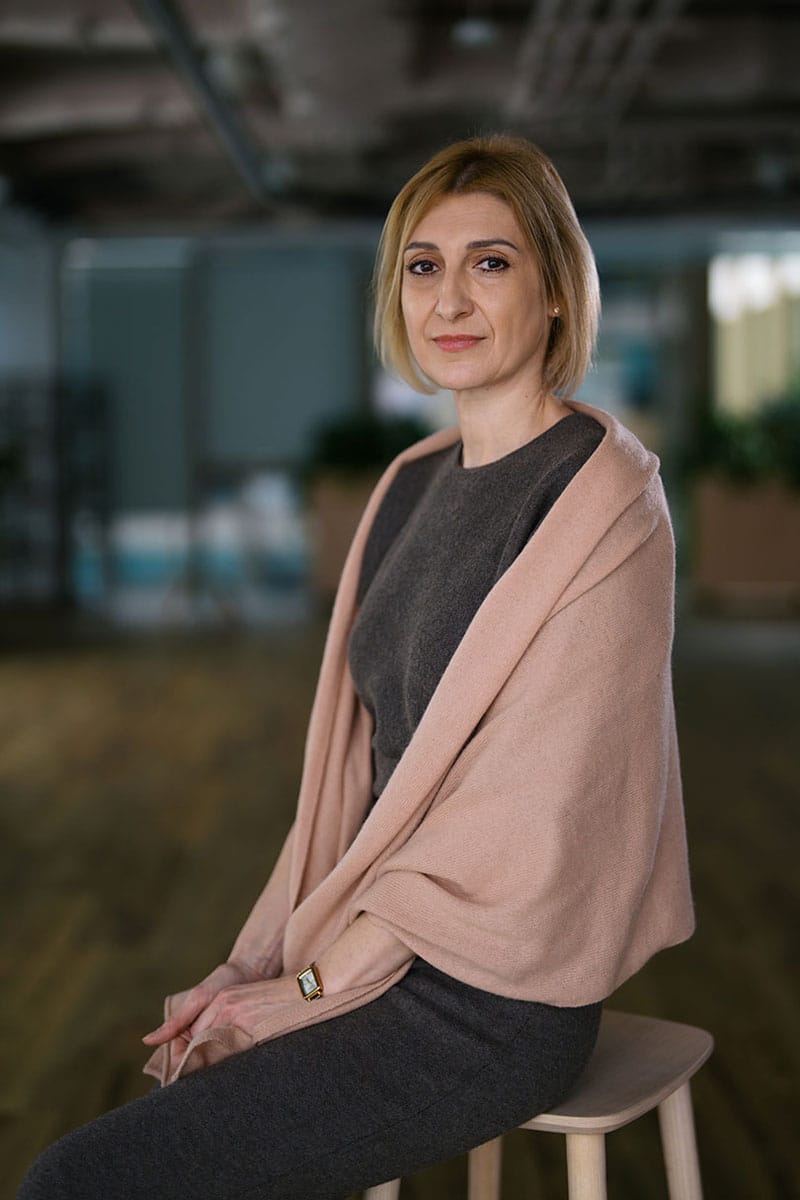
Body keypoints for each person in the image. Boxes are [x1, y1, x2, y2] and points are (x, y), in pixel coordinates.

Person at [19, 134, 694, 1200]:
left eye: (490, 261)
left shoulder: (607, 506)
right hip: (367, 944)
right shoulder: (410, 484)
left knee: (76, 1182)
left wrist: (311, 986)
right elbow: (353, 781)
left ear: (559, 291)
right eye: (423, 266)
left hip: (492, 999)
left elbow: (530, 812)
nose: (449, 299)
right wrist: (257, 964)